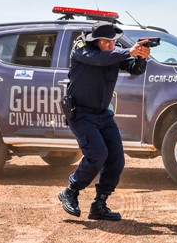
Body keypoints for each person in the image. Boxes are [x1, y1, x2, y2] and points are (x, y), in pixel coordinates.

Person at [58, 21, 150, 221]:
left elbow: (134, 69)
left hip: (103, 114)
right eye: (106, 42)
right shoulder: (81, 49)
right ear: (96, 40)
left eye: (113, 42)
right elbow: (98, 59)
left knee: (116, 158)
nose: (110, 45)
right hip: (81, 114)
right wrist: (128, 52)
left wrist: (142, 57)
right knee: (97, 155)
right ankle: (71, 191)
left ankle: (100, 204)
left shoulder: (113, 52)